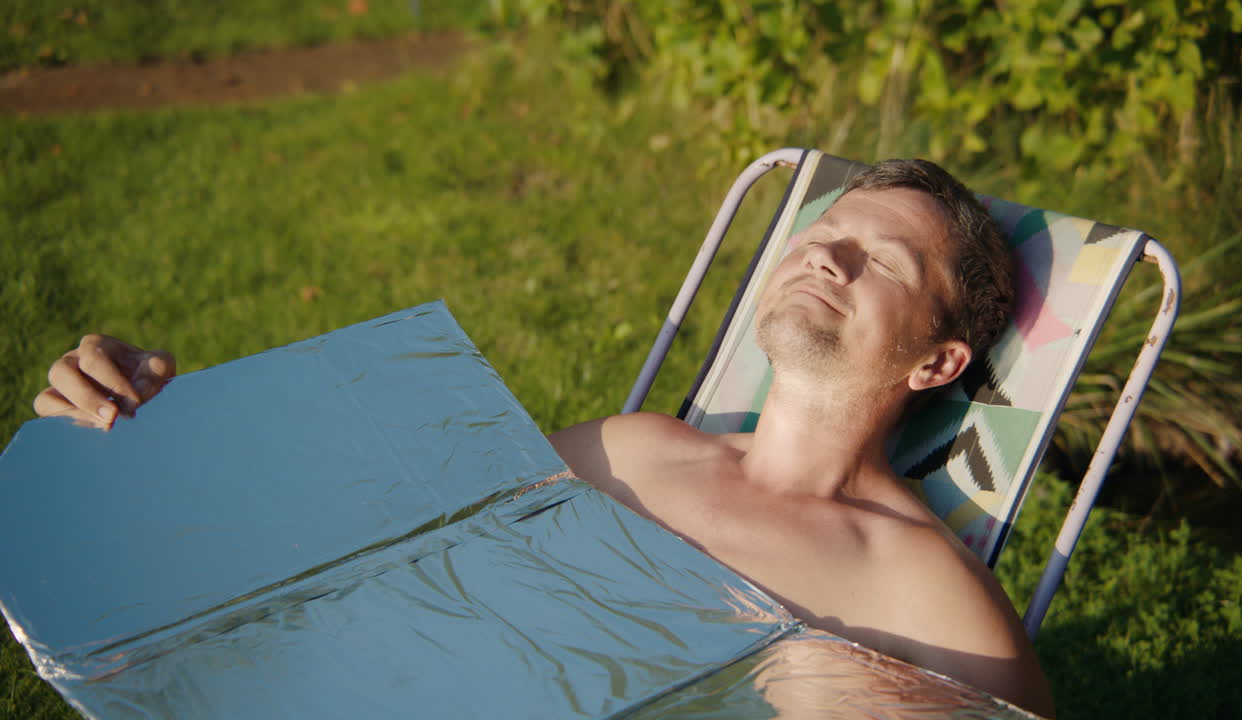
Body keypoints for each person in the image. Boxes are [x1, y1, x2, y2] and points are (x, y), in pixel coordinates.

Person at [33, 159, 1055, 717]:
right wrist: (162, 417)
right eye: (818, 234)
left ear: (935, 365)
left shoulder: (917, 587)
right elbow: (377, 529)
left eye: (877, 259)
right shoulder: (638, 448)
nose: (825, 256)